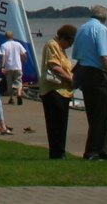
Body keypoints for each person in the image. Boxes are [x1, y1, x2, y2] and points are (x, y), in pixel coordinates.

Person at [72, 5, 107, 160]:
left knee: (93, 114)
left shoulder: (81, 29)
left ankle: (104, 149)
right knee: (102, 115)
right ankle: (92, 151)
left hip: (85, 73)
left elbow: (78, 56)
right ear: (104, 17)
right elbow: (104, 56)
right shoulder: (101, 30)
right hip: (98, 74)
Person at [38, 24, 77, 159]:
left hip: (63, 91)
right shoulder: (52, 45)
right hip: (53, 91)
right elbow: (54, 66)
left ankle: (60, 152)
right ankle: (56, 153)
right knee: (55, 124)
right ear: (65, 38)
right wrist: (70, 79)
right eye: (70, 42)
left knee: (61, 123)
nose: (71, 45)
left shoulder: (61, 48)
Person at [0, 29, 29, 106]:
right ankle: (19, 94)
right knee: (19, 81)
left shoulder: (3, 45)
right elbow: (24, 54)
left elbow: (3, 56)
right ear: (13, 36)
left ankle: (11, 98)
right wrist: (24, 60)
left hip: (9, 67)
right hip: (18, 66)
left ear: (5, 37)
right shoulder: (18, 44)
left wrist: (2, 66)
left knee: (9, 83)